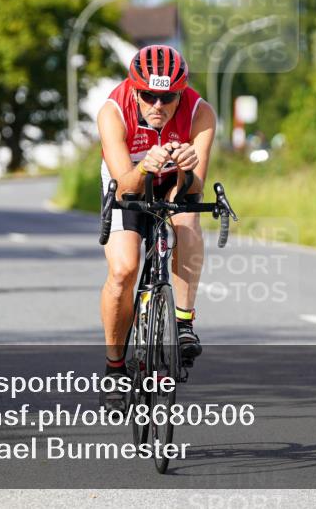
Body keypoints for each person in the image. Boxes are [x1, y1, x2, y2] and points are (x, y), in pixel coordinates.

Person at [97, 45, 217, 407]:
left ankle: (182, 324)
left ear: (181, 93)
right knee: (124, 270)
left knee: (187, 219)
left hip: (173, 181)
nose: (158, 106)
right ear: (135, 90)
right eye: (148, 95)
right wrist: (146, 166)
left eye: (167, 98)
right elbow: (126, 185)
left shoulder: (201, 113)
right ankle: (115, 368)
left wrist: (184, 169)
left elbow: (194, 188)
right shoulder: (113, 111)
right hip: (129, 180)